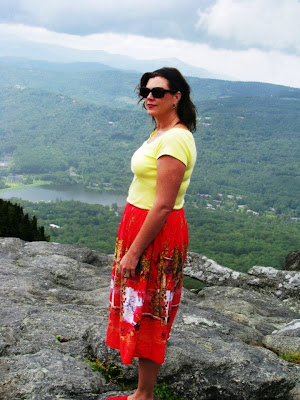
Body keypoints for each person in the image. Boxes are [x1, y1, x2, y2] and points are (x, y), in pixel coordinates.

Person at [106, 67, 197, 400]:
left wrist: (133, 252)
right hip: (139, 227)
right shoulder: (161, 133)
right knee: (141, 305)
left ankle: (144, 396)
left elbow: (162, 206)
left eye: (158, 92)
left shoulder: (175, 137)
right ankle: (141, 393)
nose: (149, 96)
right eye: (145, 90)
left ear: (177, 97)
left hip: (155, 233)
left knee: (150, 311)